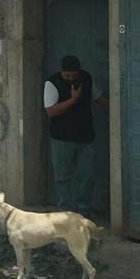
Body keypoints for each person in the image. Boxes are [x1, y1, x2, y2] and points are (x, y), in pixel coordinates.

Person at [44, 54, 108, 218]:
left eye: (74, 75)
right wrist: (73, 100)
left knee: (86, 176)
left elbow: (98, 98)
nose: (71, 79)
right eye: (67, 76)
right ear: (62, 72)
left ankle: (83, 211)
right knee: (63, 177)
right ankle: (66, 212)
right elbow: (51, 111)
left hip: (85, 137)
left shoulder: (86, 78)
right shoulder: (52, 83)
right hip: (62, 138)